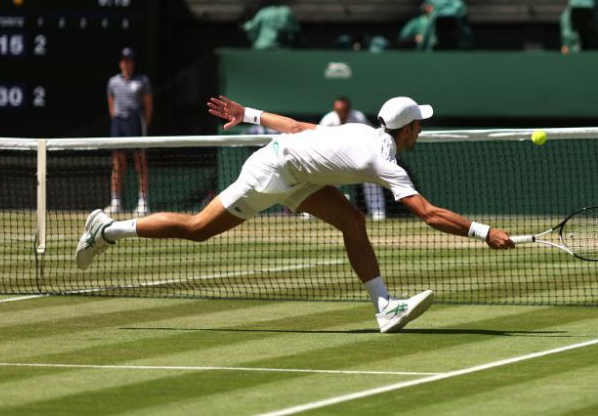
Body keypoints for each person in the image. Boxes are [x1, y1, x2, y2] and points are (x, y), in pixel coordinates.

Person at [76, 95, 515, 333]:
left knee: (352, 221)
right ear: (408, 130)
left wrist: (248, 113)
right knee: (197, 230)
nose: (422, 128)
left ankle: (384, 308)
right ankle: (110, 228)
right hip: (271, 172)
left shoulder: (365, 131)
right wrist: (485, 231)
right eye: (419, 123)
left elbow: (306, 129)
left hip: (299, 173)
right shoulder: (384, 161)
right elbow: (429, 214)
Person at [319, 96, 387, 221]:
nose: (341, 113)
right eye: (338, 110)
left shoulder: (358, 118)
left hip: (358, 156)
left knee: (372, 179)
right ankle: (314, 213)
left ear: (348, 109)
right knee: (323, 182)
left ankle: (378, 213)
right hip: (334, 158)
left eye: (344, 109)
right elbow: (319, 141)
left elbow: (372, 135)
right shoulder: (328, 120)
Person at [107, 47, 153, 216]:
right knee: (118, 164)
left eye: (129, 60)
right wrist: (118, 121)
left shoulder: (142, 81)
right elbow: (111, 105)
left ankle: (142, 202)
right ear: (120, 63)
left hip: (135, 123)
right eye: (123, 60)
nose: (126, 63)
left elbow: (148, 106)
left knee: (140, 162)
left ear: (133, 63)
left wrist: (143, 126)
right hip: (118, 123)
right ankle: (116, 202)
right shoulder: (113, 82)